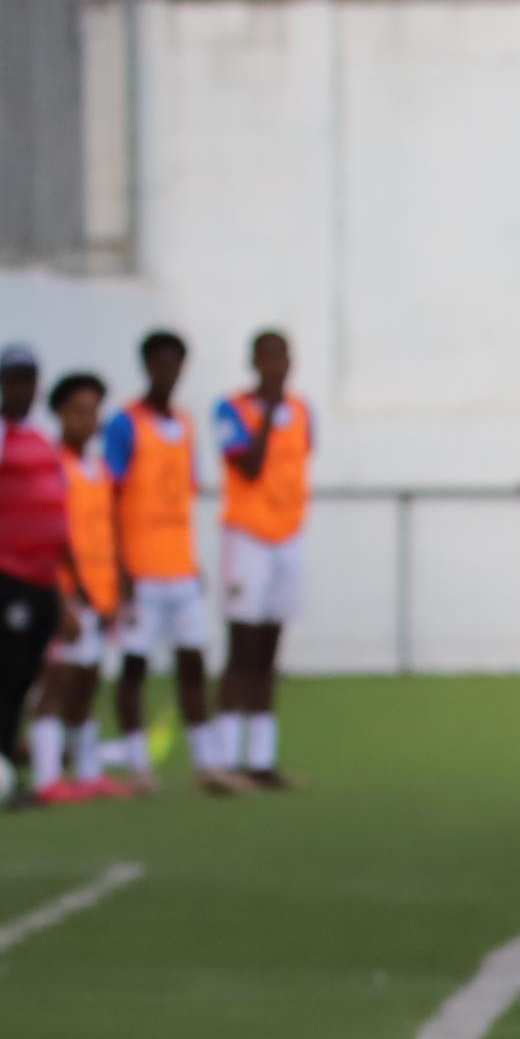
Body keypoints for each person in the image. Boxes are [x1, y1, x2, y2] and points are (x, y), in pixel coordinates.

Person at [101, 329, 219, 791]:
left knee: (193, 663)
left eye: (176, 363)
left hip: (181, 569)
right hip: (140, 570)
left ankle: (207, 762)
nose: (168, 371)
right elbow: (108, 497)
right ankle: (138, 765)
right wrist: (120, 566)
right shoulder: (124, 424)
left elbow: (183, 499)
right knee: (134, 668)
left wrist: (195, 562)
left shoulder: (186, 424)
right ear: (146, 366)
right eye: (160, 362)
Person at [0, 342, 70, 774]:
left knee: (27, 671)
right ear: (0, 383)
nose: (23, 389)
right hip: (5, 573)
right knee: (3, 668)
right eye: (15, 380)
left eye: (30, 380)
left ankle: (1, 753)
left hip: (42, 577)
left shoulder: (40, 439)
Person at [205, 329, 312, 791]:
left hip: (288, 537)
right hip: (247, 537)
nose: (276, 366)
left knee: (270, 648)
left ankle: (262, 758)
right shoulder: (232, 409)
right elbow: (248, 465)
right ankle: (226, 758)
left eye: (282, 357)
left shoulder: (304, 411)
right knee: (241, 646)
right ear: (254, 362)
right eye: (267, 357)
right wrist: (266, 411)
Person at [30, 371, 128, 803]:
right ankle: (47, 776)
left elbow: (106, 532)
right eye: (78, 412)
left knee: (87, 683)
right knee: (57, 683)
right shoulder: (52, 466)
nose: (88, 421)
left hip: (100, 597)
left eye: (94, 412)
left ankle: (88, 771)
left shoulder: (98, 469)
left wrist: (116, 590)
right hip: (68, 594)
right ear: (59, 414)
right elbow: (49, 536)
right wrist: (61, 599)